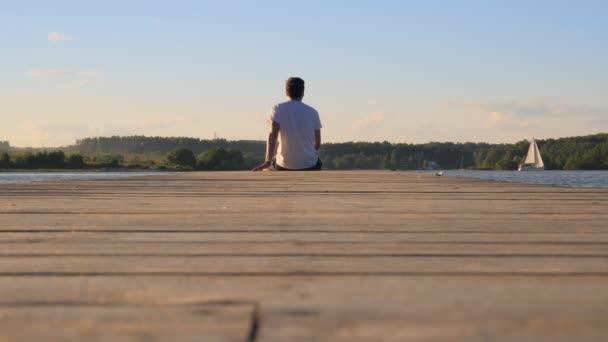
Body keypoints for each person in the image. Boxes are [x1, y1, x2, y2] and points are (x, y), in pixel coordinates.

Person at [252, 77, 322, 171]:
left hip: (283, 165)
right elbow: (317, 144)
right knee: (317, 162)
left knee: (267, 170)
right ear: (303, 93)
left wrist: (268, 161)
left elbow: (273, 134)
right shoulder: (313, 112)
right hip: (310, 165)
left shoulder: (277, 109)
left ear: (286, 92)